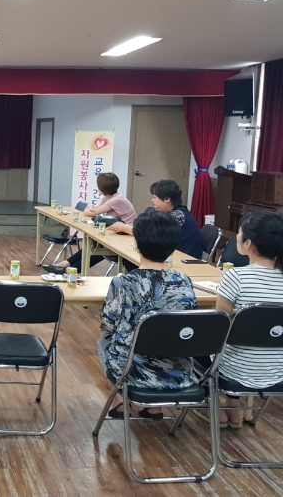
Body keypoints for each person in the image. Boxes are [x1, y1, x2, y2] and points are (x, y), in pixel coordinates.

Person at [98, 210, 198, 419]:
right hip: (178, 370)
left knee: (105, 339)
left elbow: (108, 322)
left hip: (133, 371)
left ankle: (124, 399)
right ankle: (153, 408)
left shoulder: (123, 282)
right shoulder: (184, 281)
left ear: (136, 242)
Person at [212, 211, 283, 427]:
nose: (236, 236)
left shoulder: (236, 277)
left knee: (204, 344)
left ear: (248, 243)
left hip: (236, 370)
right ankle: (232, 407)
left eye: (240, 232)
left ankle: (217, 407)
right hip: (277, 371)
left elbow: (220, 327)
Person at [44, 173, 136, 274]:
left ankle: (67, 269)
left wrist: (91, 209)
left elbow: (93, 212)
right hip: (116, 233)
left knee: (98, 249)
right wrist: (91, 209)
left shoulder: (117, 200)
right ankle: (66, 266)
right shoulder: (106, 197)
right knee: (95, 247)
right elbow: (92, 210)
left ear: (102, 187)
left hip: (126, 237)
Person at [109, 179, 204, 259]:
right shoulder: (174, 212)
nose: (152, 201)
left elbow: (147, 234)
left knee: (132, 259)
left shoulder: (178, 215)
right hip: (172, 255)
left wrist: (123, 228)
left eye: (155, 197)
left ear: (167, 199)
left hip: (183, 259)